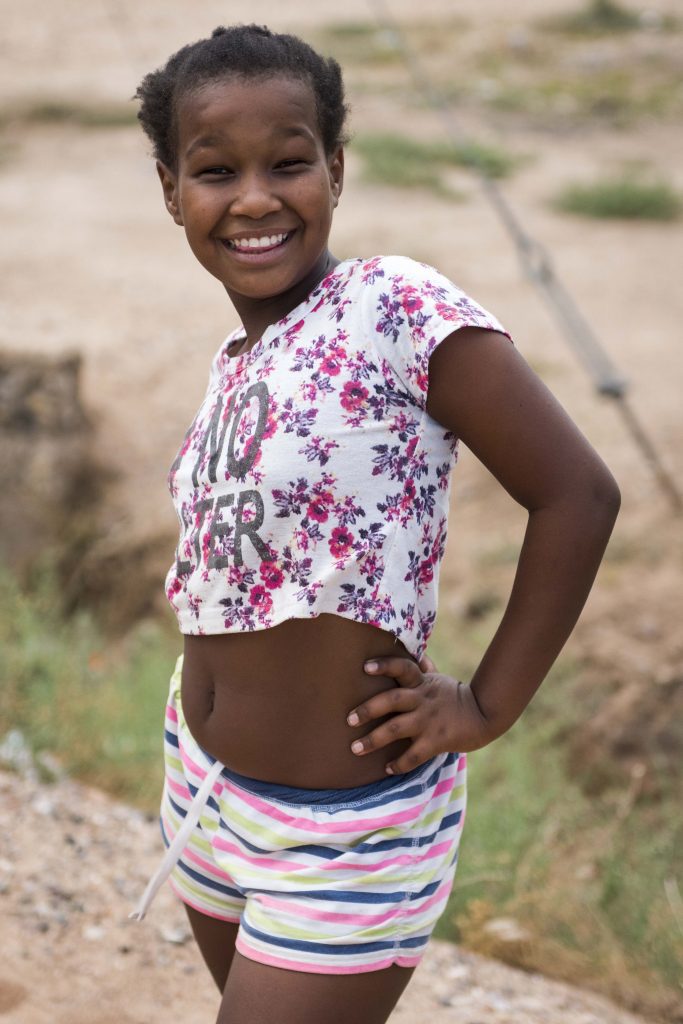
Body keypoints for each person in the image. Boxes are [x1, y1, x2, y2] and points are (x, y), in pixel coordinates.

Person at [130, 23, 620, 1024]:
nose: (255, 196)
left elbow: (576, 493)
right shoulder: (238, 361)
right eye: (216, 169)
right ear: (172, 190)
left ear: (336, 169)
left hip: (344, 833)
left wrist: (485, 705)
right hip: (205, 787)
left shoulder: (390, 307)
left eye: (289, 161)